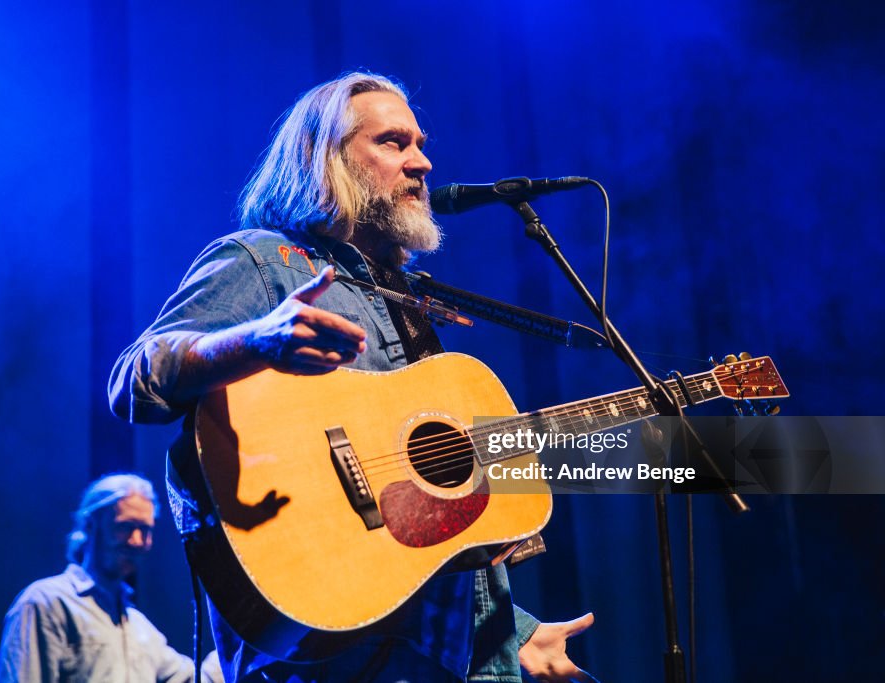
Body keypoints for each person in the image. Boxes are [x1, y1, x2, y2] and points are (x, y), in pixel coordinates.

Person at [109, 72, 595, 682]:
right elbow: (133, 382)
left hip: (447, 659)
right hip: (328, 659)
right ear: (329, 160)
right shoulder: (265, 260)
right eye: (394, 143)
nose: (422, 162)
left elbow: (414, 536)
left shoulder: (406, 298)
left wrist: (514, 630)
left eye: (420, 143)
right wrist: (256, 340)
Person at [0, 473, 223, 682]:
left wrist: (244, 637)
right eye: (125, 527)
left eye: (145, 530)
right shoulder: (46, 603)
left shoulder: (139, 628)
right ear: (92, 526)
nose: (136, 541)